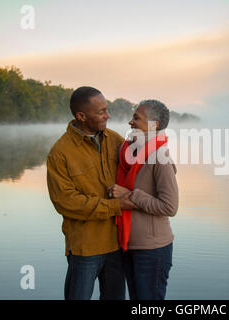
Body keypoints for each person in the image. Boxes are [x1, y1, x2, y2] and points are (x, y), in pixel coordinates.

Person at [46, 86, 138, 300]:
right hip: (84, 248)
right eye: (101, 112)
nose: (108, 115)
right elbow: (66, 202)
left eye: (107, 109)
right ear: (81, 116)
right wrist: (116, 206)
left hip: (117, 244)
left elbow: (140, 171)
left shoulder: (115, 140)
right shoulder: (60, 153)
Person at [107, 99, 179, 300]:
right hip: (129, 245)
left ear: (153, 125)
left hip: (153, 251)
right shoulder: (129, 152)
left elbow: (170, 207)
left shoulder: (160, 157)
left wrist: (131, 195)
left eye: (136, 118)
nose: (130, 122)